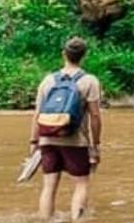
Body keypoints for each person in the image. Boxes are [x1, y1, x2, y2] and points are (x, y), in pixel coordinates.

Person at [30, 37, 103, 221]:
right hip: (75, 140)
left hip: (47, 139)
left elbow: (37, 114)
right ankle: (77, 219)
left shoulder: (48, 80)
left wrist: (34, 141)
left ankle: (46, 220)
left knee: (49, 186)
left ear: (64, 54)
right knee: (81, 184)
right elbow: (95, 116)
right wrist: (95, 145)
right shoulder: (90, 81)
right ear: (84, 56)